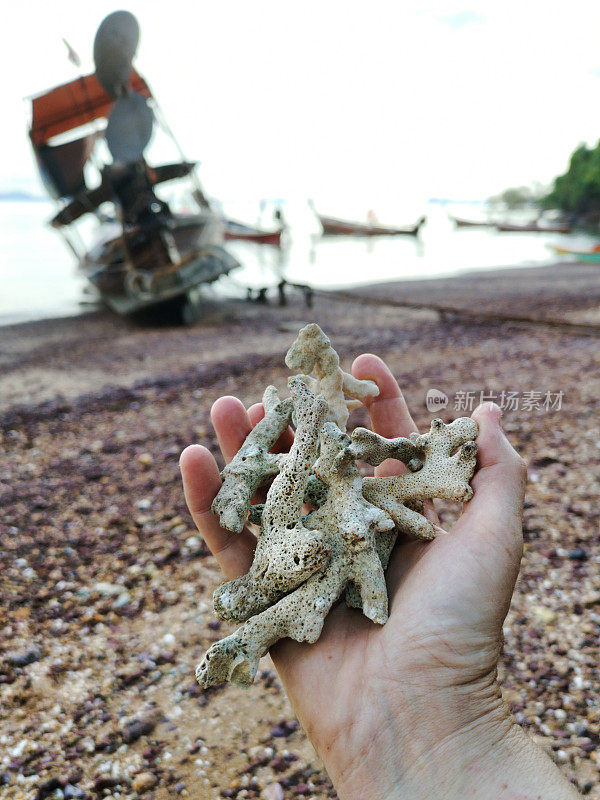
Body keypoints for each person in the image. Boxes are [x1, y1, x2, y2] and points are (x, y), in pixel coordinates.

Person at [179, 353, 583, 800]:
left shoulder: (298, 511)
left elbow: (295, 474)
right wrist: (294, 433)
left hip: (345, 518)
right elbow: (292, 473)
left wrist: (306, 431)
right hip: (333, 520)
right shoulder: (284, 517)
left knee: (359, 523)